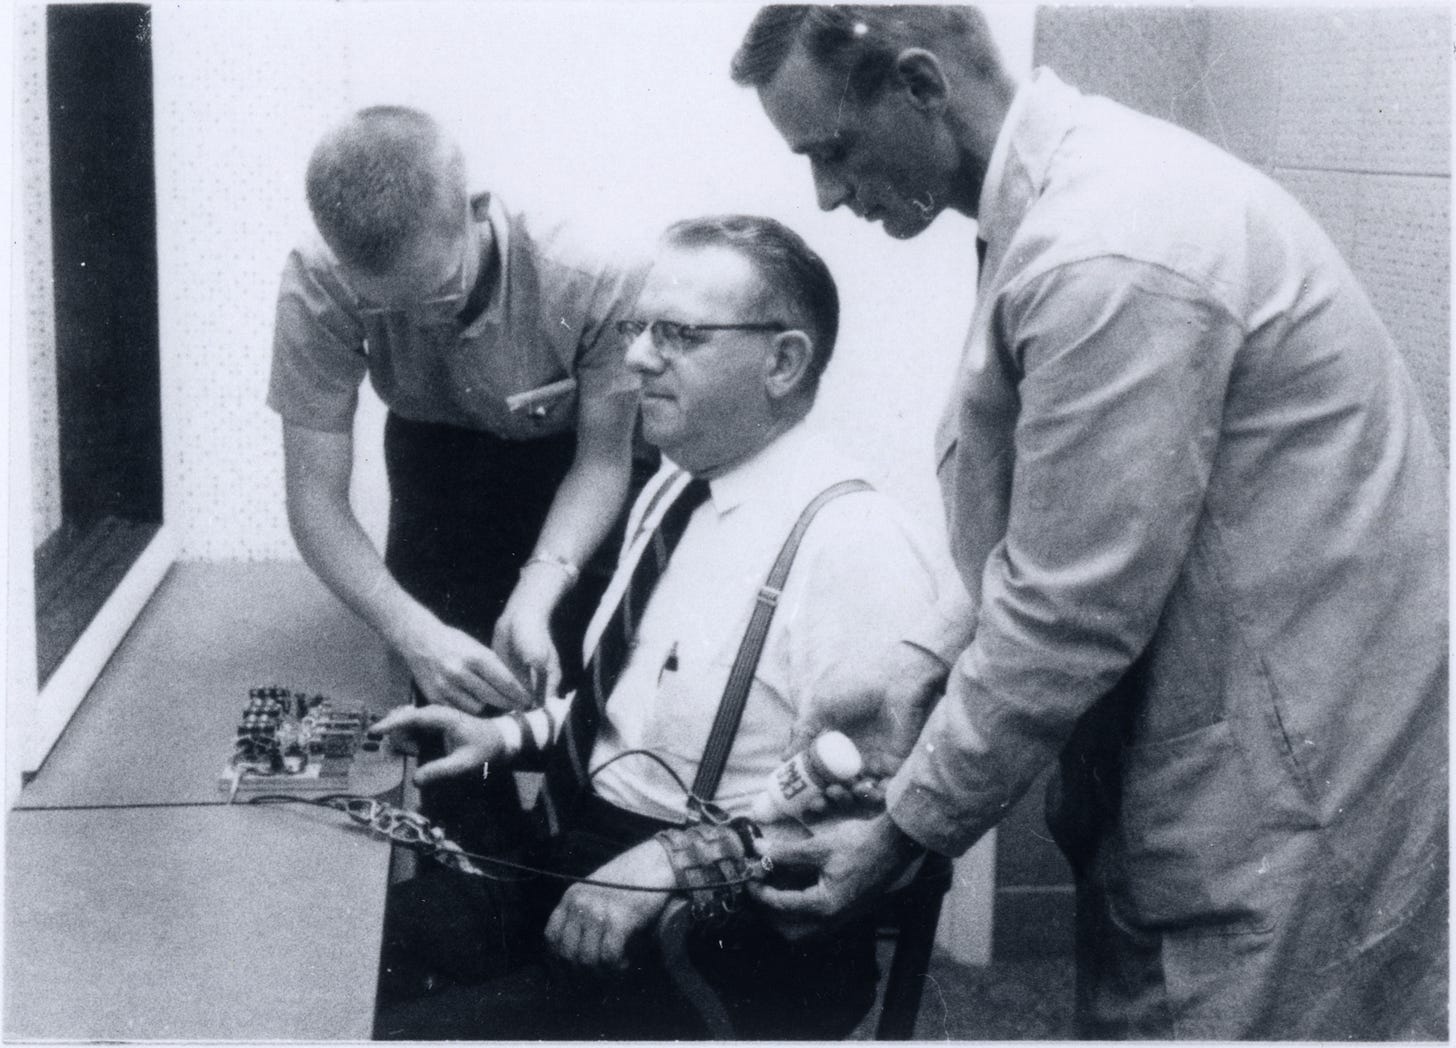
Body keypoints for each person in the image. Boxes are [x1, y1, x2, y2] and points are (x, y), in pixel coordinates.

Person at [731, 6, 1449, 1040]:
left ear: (923, 86)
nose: (828, 195)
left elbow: (1069, 608)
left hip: (1288, 769)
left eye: (834, 151)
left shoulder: (1108, 245)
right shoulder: (1064, 201)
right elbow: (1062, 511)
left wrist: (902, 829)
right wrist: (917, 664)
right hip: (1240, 726)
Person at [369, 214, 944, 1040]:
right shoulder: (673, 489)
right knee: (345, 960)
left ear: (783, 361)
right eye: (637, 329)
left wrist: (675, 862)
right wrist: (505, 736)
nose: (636, 358)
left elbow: (882, 822)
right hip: (577, 866)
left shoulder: (855, 545)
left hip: (720, 947)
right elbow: (633, 715)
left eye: (677, 335)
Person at [269, 106, 648, 851]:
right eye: (385, 306)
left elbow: (605, 461)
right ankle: (474, 879)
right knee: (440, 695)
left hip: (574, 461)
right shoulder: (317, 278)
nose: (419, 322)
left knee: (586, 688)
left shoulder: (597, 270)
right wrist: (413, 633)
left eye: (437, 293)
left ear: (478, 211)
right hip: (438, 456)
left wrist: (539, 588)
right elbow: (313, 499)